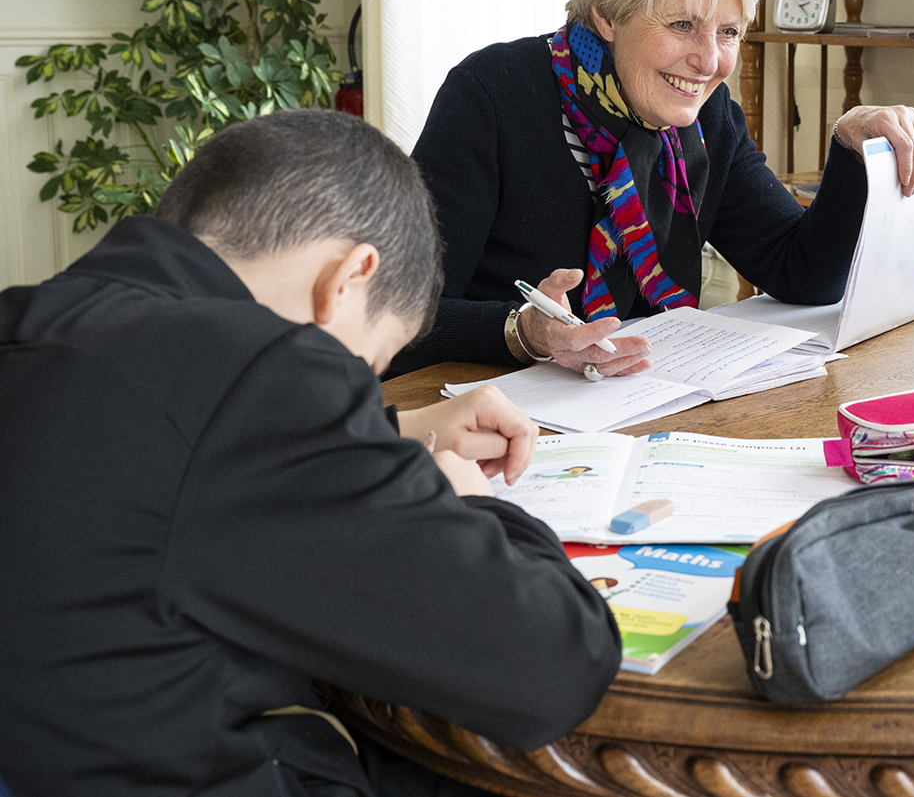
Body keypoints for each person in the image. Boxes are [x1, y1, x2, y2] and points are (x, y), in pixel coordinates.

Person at [0, 110, 622, 797]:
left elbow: (161, 464)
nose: (347, 391)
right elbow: (556, 665)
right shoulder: (261, 370)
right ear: (348, 277)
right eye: (365, 365)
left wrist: (393, 429)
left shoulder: (42, 321)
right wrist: (476, 504)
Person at [391, 0, 914, 378]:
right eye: (681, 26)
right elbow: (394, 314)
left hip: (646, 399)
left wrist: (851, 147)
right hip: (491, 411)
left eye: (728, 32)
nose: (709, 61)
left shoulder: (709, 117)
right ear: (607, 14)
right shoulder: (491, 93)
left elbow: (804, 273)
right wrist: (524, 332)